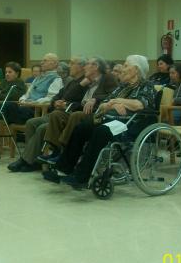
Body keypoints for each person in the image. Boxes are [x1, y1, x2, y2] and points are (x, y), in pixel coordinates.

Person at [45, 55, 156, 187]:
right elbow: (103, 104)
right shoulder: (122, 86)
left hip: (130, 124)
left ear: (136, 70)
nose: (123, 69)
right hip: (111, 120)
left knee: (100, 132)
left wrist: (116, 101)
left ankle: (82, 176)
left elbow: (139, 104)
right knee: (81, 128)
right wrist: (113, 104)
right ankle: (63, 169)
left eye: (126, 66)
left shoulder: (146, 86)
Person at [7, 56, 87, 172]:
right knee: (31, 123)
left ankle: (26, 160)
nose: (69, 66)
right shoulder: (72, 81)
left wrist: (64, 104)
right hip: (55, 113)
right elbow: (57, 96)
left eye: (72, 63)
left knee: (41, 128)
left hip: (65, 115)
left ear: (81, 67)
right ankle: (32, 160)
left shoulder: (83, 82)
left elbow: (76, 101)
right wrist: (55, 102)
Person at [38, 56, 118, 163]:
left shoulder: (107, 78)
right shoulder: (87, 80)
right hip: (80, 110)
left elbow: (114, 95)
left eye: (87, 64)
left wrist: (96, 99)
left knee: (76, 115)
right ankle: (56, 151)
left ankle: (64, 153)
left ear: (95, 67)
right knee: (56, 114)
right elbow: (67, 97)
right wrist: (81, 84)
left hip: (95, 113)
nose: (84, 67)